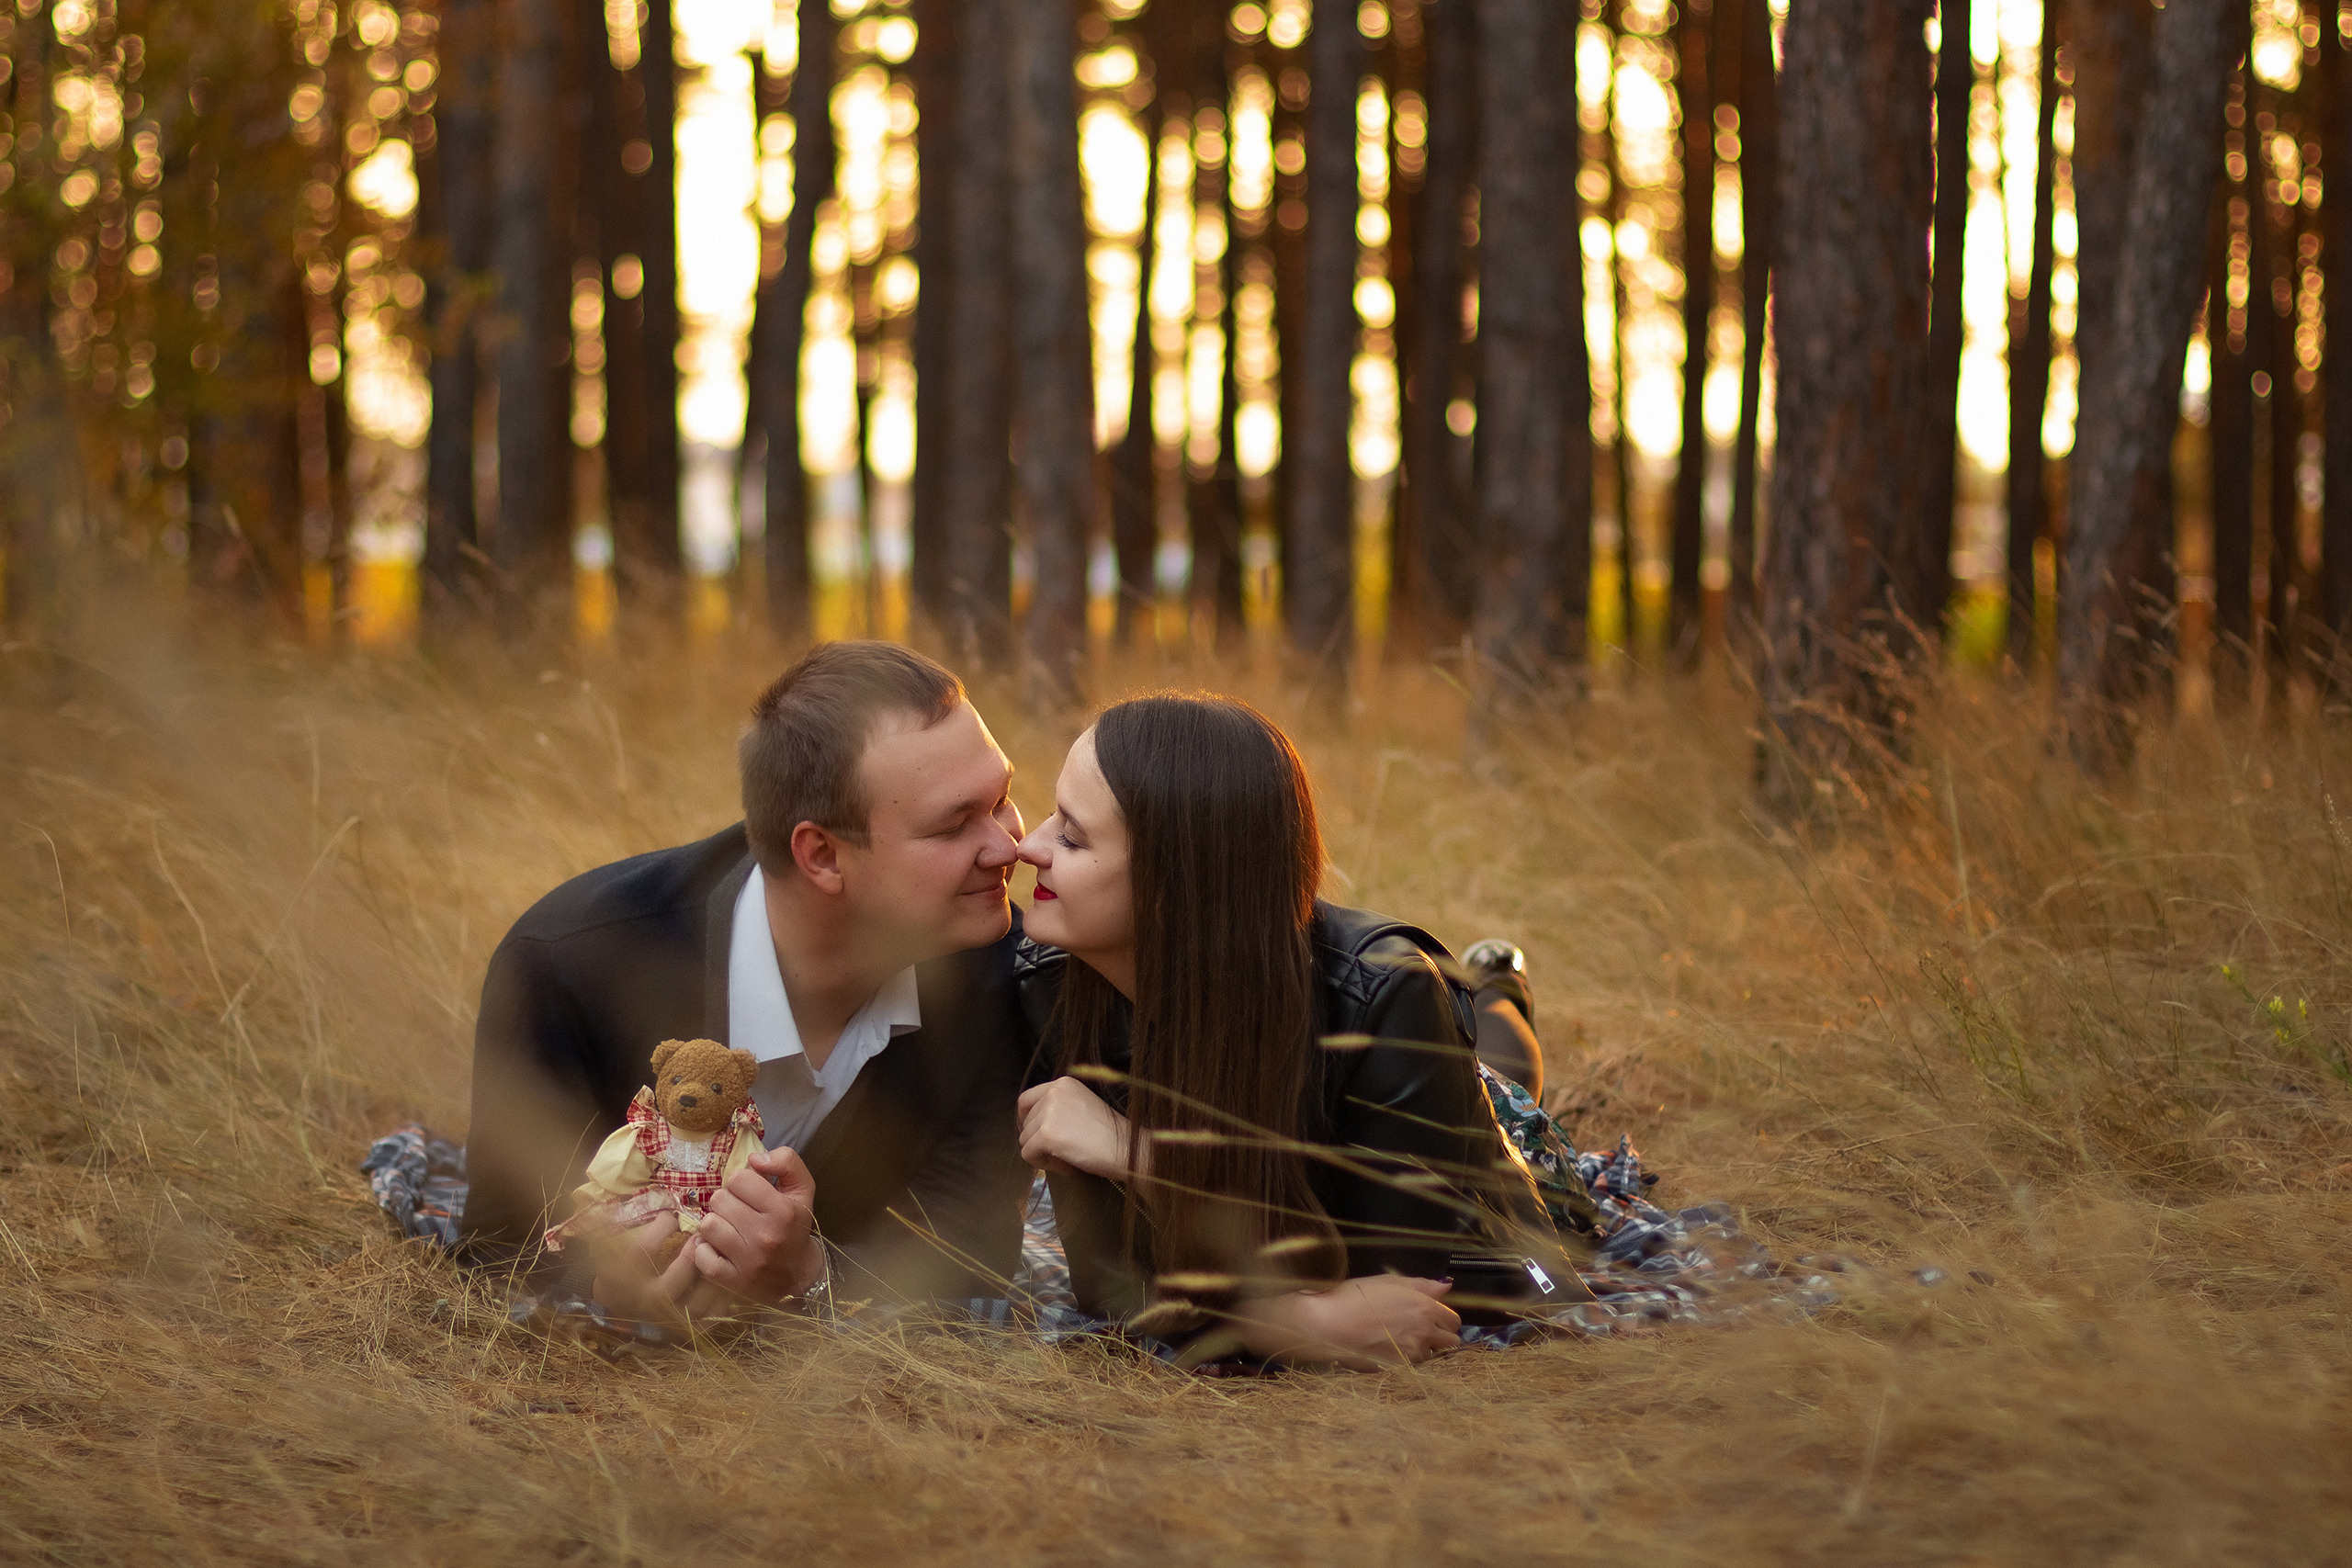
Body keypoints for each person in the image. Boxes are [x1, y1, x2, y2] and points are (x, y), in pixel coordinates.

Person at [458, 641, 1033, 1325]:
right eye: (955, 823)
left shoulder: (1007, 974)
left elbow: (972, 1253)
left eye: (1002, 799)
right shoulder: (567, 966)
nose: (1009, 845)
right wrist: (598, 1280)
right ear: (821, 854)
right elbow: (495, 1248)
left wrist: (814, 1274)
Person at [1012, 694, 1579, 1370]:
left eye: (1072, 836)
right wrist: (1290, 1319)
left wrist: (1137, 1155)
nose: (1030, 846)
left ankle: (1499, 980)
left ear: (1177, 883)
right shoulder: (1048, 983)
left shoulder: (1384, 1001)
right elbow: (1108, 1288)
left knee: (1510, 1090)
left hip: (1467, 1137)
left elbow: (1403, 1311)